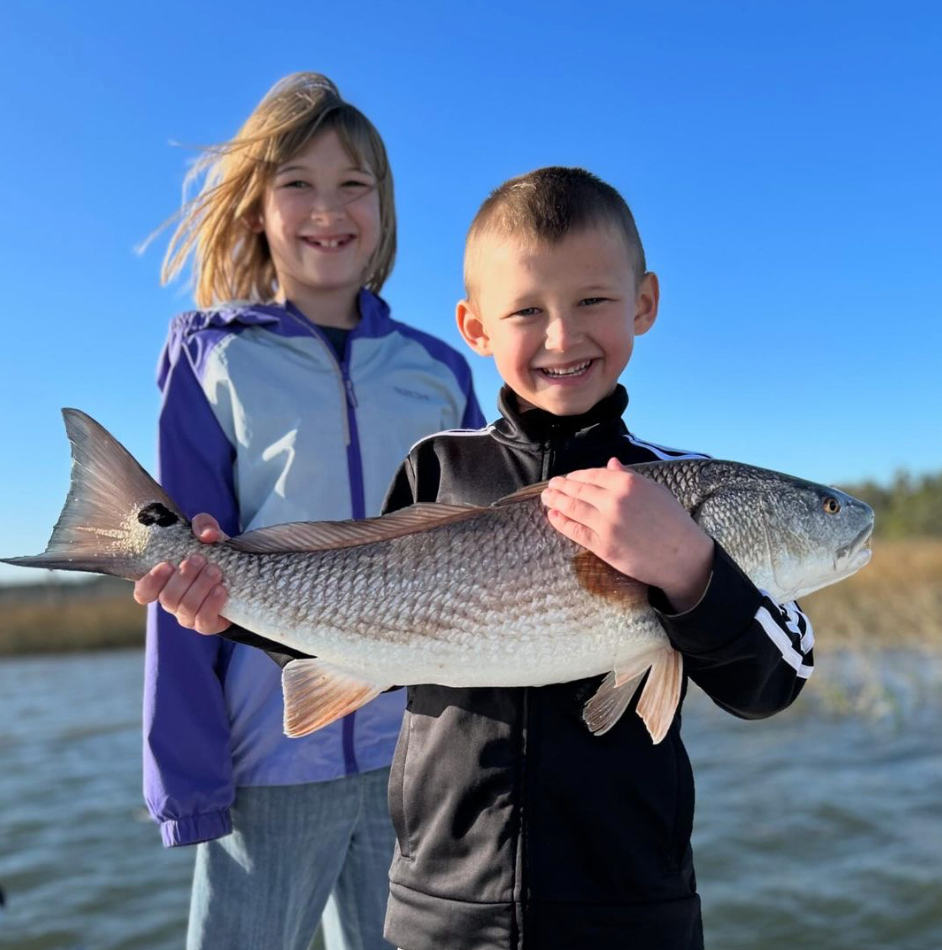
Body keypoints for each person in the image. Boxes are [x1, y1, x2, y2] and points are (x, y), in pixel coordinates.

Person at [137, 167, 814, 950]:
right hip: (441, 906)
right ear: (476, 327)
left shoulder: (681, 487)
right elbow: (364, 620)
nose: (562, 336)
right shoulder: (437, 467)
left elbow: (774, 683)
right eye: (527, 310)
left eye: (592, 300)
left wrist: (691, 568)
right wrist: (228, 607)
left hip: (631, 908)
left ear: (645, 303)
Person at [141, 72, 483, 950]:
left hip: (421, 753)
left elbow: (489, 552)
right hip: (269, 760)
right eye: (297, 182)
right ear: (258, 206)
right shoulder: (212, 357)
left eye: (352, 185)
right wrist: (188, 778)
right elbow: (182, 567)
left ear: (385, 208)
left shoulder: (442, 370)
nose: (326, 209)